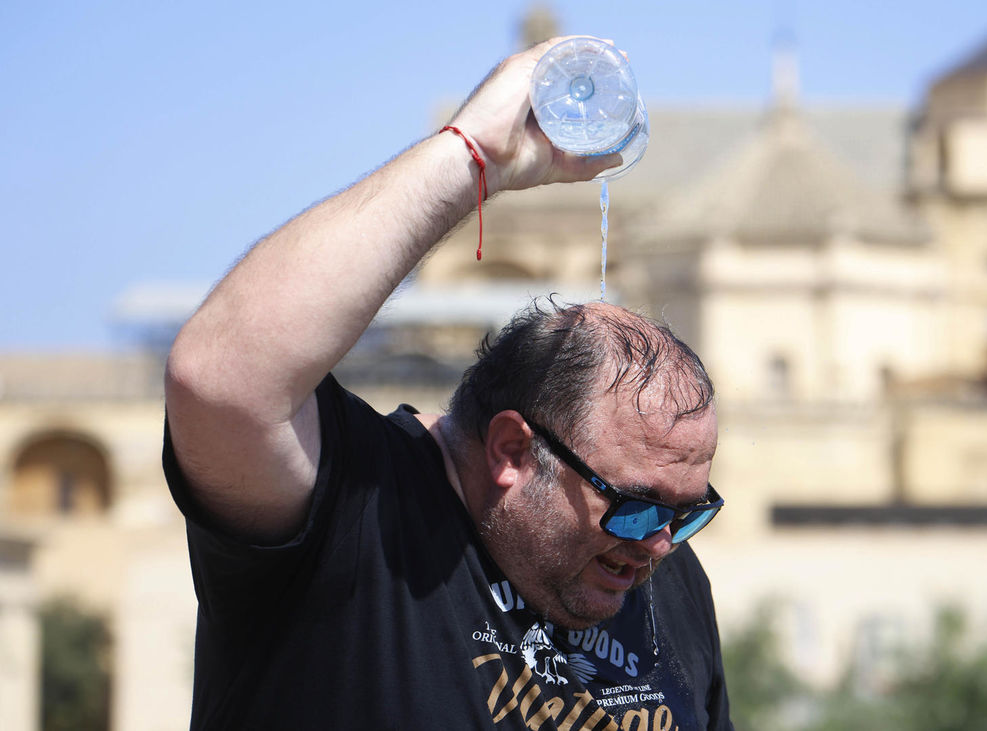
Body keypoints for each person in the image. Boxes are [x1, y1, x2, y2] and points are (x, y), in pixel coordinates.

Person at [162, 36, 734, 730]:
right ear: (513, 452)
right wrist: (472, 158)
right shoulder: (361, 518)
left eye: (688, 512)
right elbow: (218, 376)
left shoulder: (661, 573)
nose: (662, 544)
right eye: (638, 505)